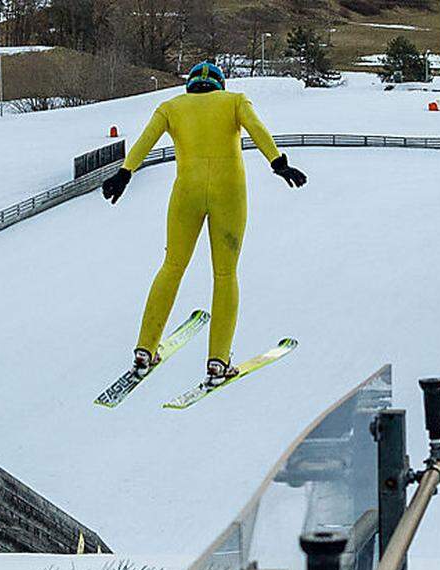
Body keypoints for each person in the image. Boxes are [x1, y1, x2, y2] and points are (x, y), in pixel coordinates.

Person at [101, 61, 307, 387]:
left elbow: (145, 140)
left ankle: (144, 349)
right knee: (225, 275)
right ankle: (218, 361)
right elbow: (256, 128)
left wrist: (125, 173)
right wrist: (279, 163)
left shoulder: (171, 107)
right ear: (220, 85)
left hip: (186, 195)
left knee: (171, 266)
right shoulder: (235, 101)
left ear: (190, 85)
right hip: (229, 195)